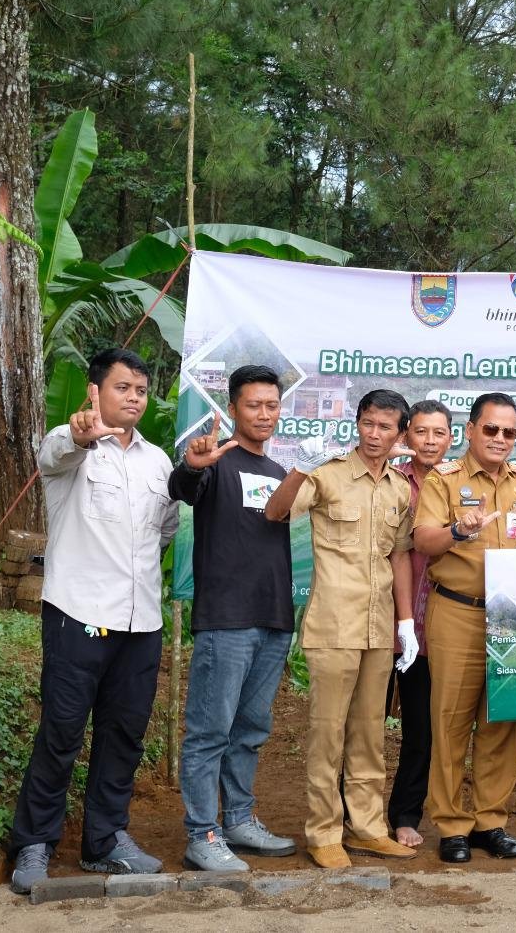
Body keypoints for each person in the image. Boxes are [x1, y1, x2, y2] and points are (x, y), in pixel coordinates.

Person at [9, 348, 179, 894]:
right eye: (122, 387)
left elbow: (165, 530)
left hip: (141, 621)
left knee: (124, 733)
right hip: (78, 613)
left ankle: (105, 842)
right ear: (94, 391)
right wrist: (82, 435)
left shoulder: (158, 462)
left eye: (141, 390)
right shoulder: (70, 445)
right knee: (61, 731)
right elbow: (57, 452)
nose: (134, 398)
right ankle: (35, 842)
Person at [264, 389, 418, 869]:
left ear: (400, 434)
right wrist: (299, 468)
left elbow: (399, 555)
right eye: (368, 423)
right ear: (358, 423)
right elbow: (275, 512)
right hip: (333, 623)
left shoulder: (399, 488)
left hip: (378, 627)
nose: (374, 434)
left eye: (385, 427)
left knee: (370, 733)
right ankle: (324, 832)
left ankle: (368, 827)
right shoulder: (327, 473)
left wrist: (406, 623)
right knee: (327, 733)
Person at [168, 365, 298, 872]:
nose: (264, 414)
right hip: (226, 620)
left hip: (274, 619)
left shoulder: (281, 474)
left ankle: (239, 820)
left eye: (272, 405)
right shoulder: (216, 462)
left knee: (250, 729)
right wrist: (193, 466)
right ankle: (201, 833)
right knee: (210, 731)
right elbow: (183, 487)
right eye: (253, 405)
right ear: (233, 409)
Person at [412, 392, 516, 863]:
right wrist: (459, 530)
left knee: (502, 720)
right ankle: (452, 825)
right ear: (470, 431)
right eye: (490, 429)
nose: (499, 439)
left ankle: (491, 821)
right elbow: (423, 541)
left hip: (509, 616)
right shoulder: (444, 480)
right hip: (458, 610)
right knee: (450, 721)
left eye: (509, 432)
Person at [384, 399, 454, 850]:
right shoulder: (390, 479)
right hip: (383, 619)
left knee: (421, 729)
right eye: (421, 432)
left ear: (452, 438)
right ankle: (350, 812)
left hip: (434, 627)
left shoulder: (458, 483)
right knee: (363, 724)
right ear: (406, 435)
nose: (429, 441)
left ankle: (405, 814)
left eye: (438, 433)